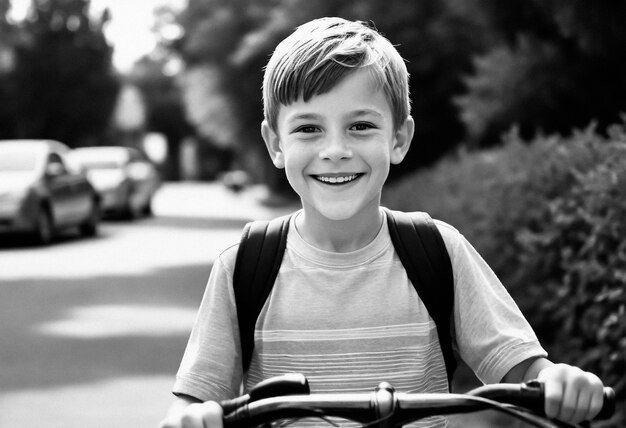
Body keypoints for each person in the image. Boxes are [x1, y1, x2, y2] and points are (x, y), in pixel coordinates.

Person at [159, 17, 605, 428]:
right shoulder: (245, 265)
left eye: (360, 126)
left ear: (399, 138)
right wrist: (190, 418)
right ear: (275, 144)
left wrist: (559, 381)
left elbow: (526, 371)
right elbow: (195, 402)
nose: (335, 149)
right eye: (308, 129)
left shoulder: (436, 251)